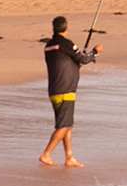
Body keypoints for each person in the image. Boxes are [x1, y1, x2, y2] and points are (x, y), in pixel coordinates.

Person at [37, 17, 100, 169]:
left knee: (67, 125)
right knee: (64, 126)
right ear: (66, 28)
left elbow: (71, 61)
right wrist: (94, 52)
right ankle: (46, 154)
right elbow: (83, 59)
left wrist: (78, 60)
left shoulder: (48, 46)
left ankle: (69, 157)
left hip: (55, 90)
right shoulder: (66, 44)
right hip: (65, 90)